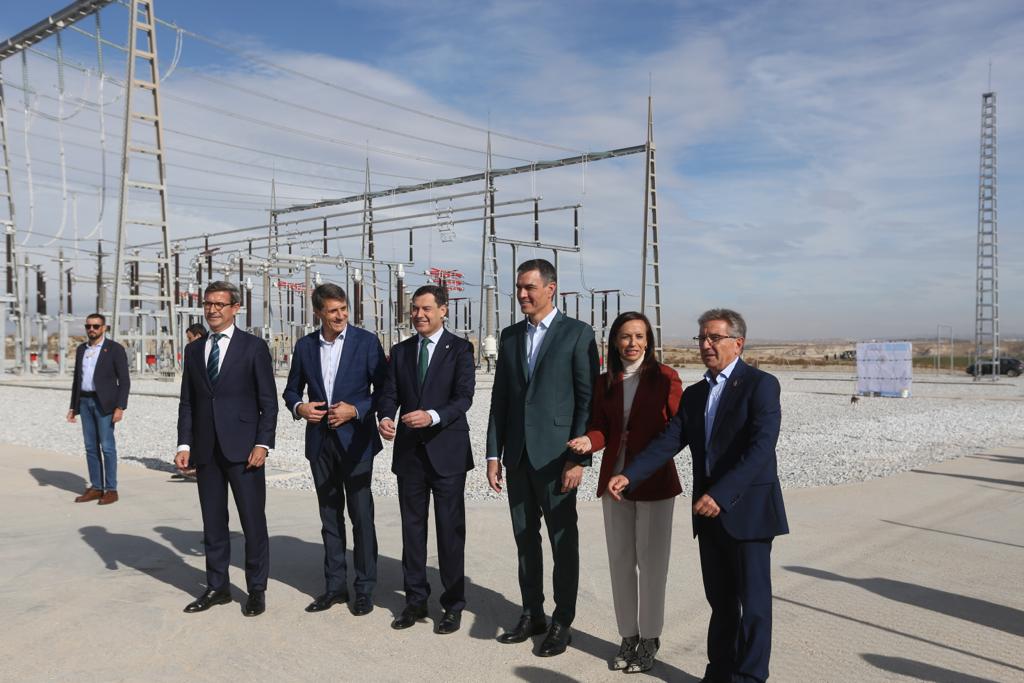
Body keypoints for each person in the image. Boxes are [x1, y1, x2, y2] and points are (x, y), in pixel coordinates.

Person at [608, 308, 788, 683]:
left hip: (748, 512)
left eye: (714, 338)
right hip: (709, 517)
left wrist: (721, 494)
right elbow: (668, 442)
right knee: (721, 604)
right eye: (702, 338)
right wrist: (629, 475)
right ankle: (719, 673)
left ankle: (751, 677)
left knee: (753, 606)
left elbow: (760, 449)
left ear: (738, 343)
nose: (706, 344)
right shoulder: (696, 394)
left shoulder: (761, 384)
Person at [486, 258, 599, 657]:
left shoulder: (578, 335)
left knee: (562, 541)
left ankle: (562, 621)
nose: (521, 295)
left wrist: (578, 460)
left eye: (529, 288)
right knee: (524, 539)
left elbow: (588, 402)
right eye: (518, 288)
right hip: (517, 457)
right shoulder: (511, 335)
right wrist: (492, 454)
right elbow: (501, 399)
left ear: (551, 288)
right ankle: (532, 612)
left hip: (556, 459)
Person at [567, 311, 682, 673]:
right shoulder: (606, 383)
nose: (632, 343)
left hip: (653, 481)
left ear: (648, 341)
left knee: (651, 565)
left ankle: (650, 638)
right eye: (625, 337)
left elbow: (677, 429)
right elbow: (601, 428)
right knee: (620, 562)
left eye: (639, 336)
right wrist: (588, 440)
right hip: (612, 481)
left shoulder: (666, 378)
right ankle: (627, 636)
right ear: (615, 342)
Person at [283, 283, 387, 617]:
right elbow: (290, 390)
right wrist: (300, 408)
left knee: (361, 517)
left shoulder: (366, 342)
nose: (340, 315)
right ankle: (334, 587)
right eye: (333, 310)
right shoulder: (305, 346)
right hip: (320, 443)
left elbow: (383, 391)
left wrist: (355, 410)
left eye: (343, 309)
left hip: (355, 441)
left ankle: (364, 589)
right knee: (329, 517)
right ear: (318, 313)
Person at [175, 281, 278, 617]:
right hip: (206, 451)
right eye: (208, 303)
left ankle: (256, 589)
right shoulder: (194, 350)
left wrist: (263, 443)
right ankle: (217, 586)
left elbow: (268, 402)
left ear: (236, 308)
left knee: (252, 522)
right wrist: (184, 443)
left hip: (245, 450)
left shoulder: (253, 347)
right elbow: (187, 402)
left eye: (220, 304)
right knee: (213, 523)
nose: (212, 310)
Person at [377, 284, 475, 634]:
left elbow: (464, 397)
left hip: (447, 452)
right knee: (412, 531)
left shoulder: (460, 349)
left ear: (443, 310)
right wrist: (385, 416)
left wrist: (432, 415)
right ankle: (415, 600)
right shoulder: (401, 351)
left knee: (450, 533)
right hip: (410, 455)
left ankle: (452, 605)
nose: (419, 315)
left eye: (426, 309)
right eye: (415, 309)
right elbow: (389, 393)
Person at [66, 313, 130, 505]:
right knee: (90, 447)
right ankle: (96, 487)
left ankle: (111, 489)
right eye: (88, 326)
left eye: (95, 326)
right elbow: (77, 380)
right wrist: (73, 406)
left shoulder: (114, 349)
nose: (91, 329)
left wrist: (120, 406)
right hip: (85, 402)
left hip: (105, 404)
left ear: (104, 328)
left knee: (107, 447)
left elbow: (124, 381)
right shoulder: (81, 350)